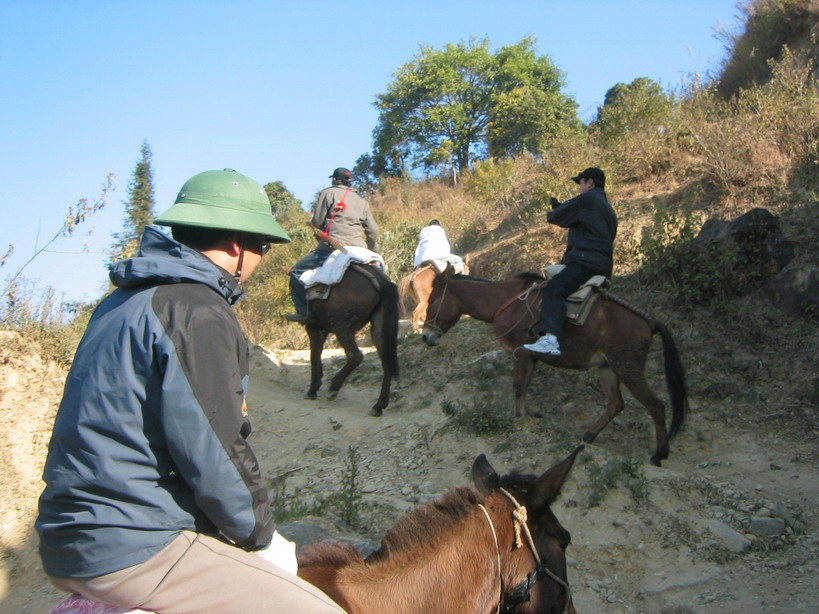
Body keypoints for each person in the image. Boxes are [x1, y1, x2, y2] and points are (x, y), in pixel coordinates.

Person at [36, 169, 346, 614]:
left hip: (68, 536)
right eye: (261, 245)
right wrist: (258, 534)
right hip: (136, 541)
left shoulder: (121, 301)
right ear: (238, 245)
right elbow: (214, 446)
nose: (259, 259)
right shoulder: (195, 310)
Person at [523, 167, 617, 356]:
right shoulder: (608, 210)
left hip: (585, 261)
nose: (579, 187)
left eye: (580, 183)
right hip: (602, 263)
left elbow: (557, 217)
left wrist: (556, 208)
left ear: (589, 182)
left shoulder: (589, 199)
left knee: (555, 289)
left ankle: (549, 339)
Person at [287, 167, 379, 322]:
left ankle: (304, 313)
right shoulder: (362, 201)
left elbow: (316, 223)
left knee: (295, 272)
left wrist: (321, 241)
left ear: (335, 179)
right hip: (359, 250)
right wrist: (372, 250)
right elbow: (373, 230)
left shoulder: (327, 193)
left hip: (332, 246)